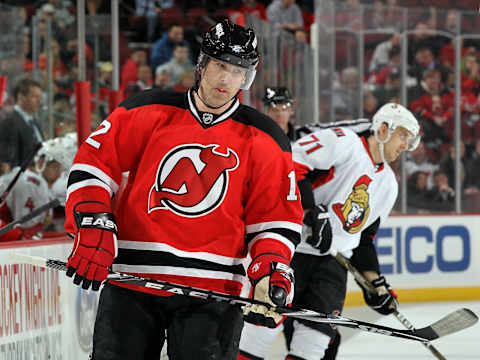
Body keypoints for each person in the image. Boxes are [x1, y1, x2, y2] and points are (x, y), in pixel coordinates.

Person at [64, 19, 303, 360]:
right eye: (221, 66)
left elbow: (274, 217)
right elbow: (94, 165)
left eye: (237, 72)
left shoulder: (265, 138)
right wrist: (92, 219)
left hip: (214, 292)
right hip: (133, 278)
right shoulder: (145, 109)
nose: (226, 79)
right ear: (203, 64)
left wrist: (271, 266)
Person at [238, 103, 420, 360]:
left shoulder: (389, 184)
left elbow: (364, 239)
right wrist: (310, 211)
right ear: (382, 129)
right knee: (258, 331)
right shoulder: (343, 142)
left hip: (332, 267)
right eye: (403, 136)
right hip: (292, 251)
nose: (405, 145)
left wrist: (374, 283)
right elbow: (291, 164)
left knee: (313, 347)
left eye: (409, 140)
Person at [0, 78, 43, 169]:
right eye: (35, 97)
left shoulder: (35, 122)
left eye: (40, 97)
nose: (39, 101)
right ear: (21, 97)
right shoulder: (10, 122)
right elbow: (8, 160)